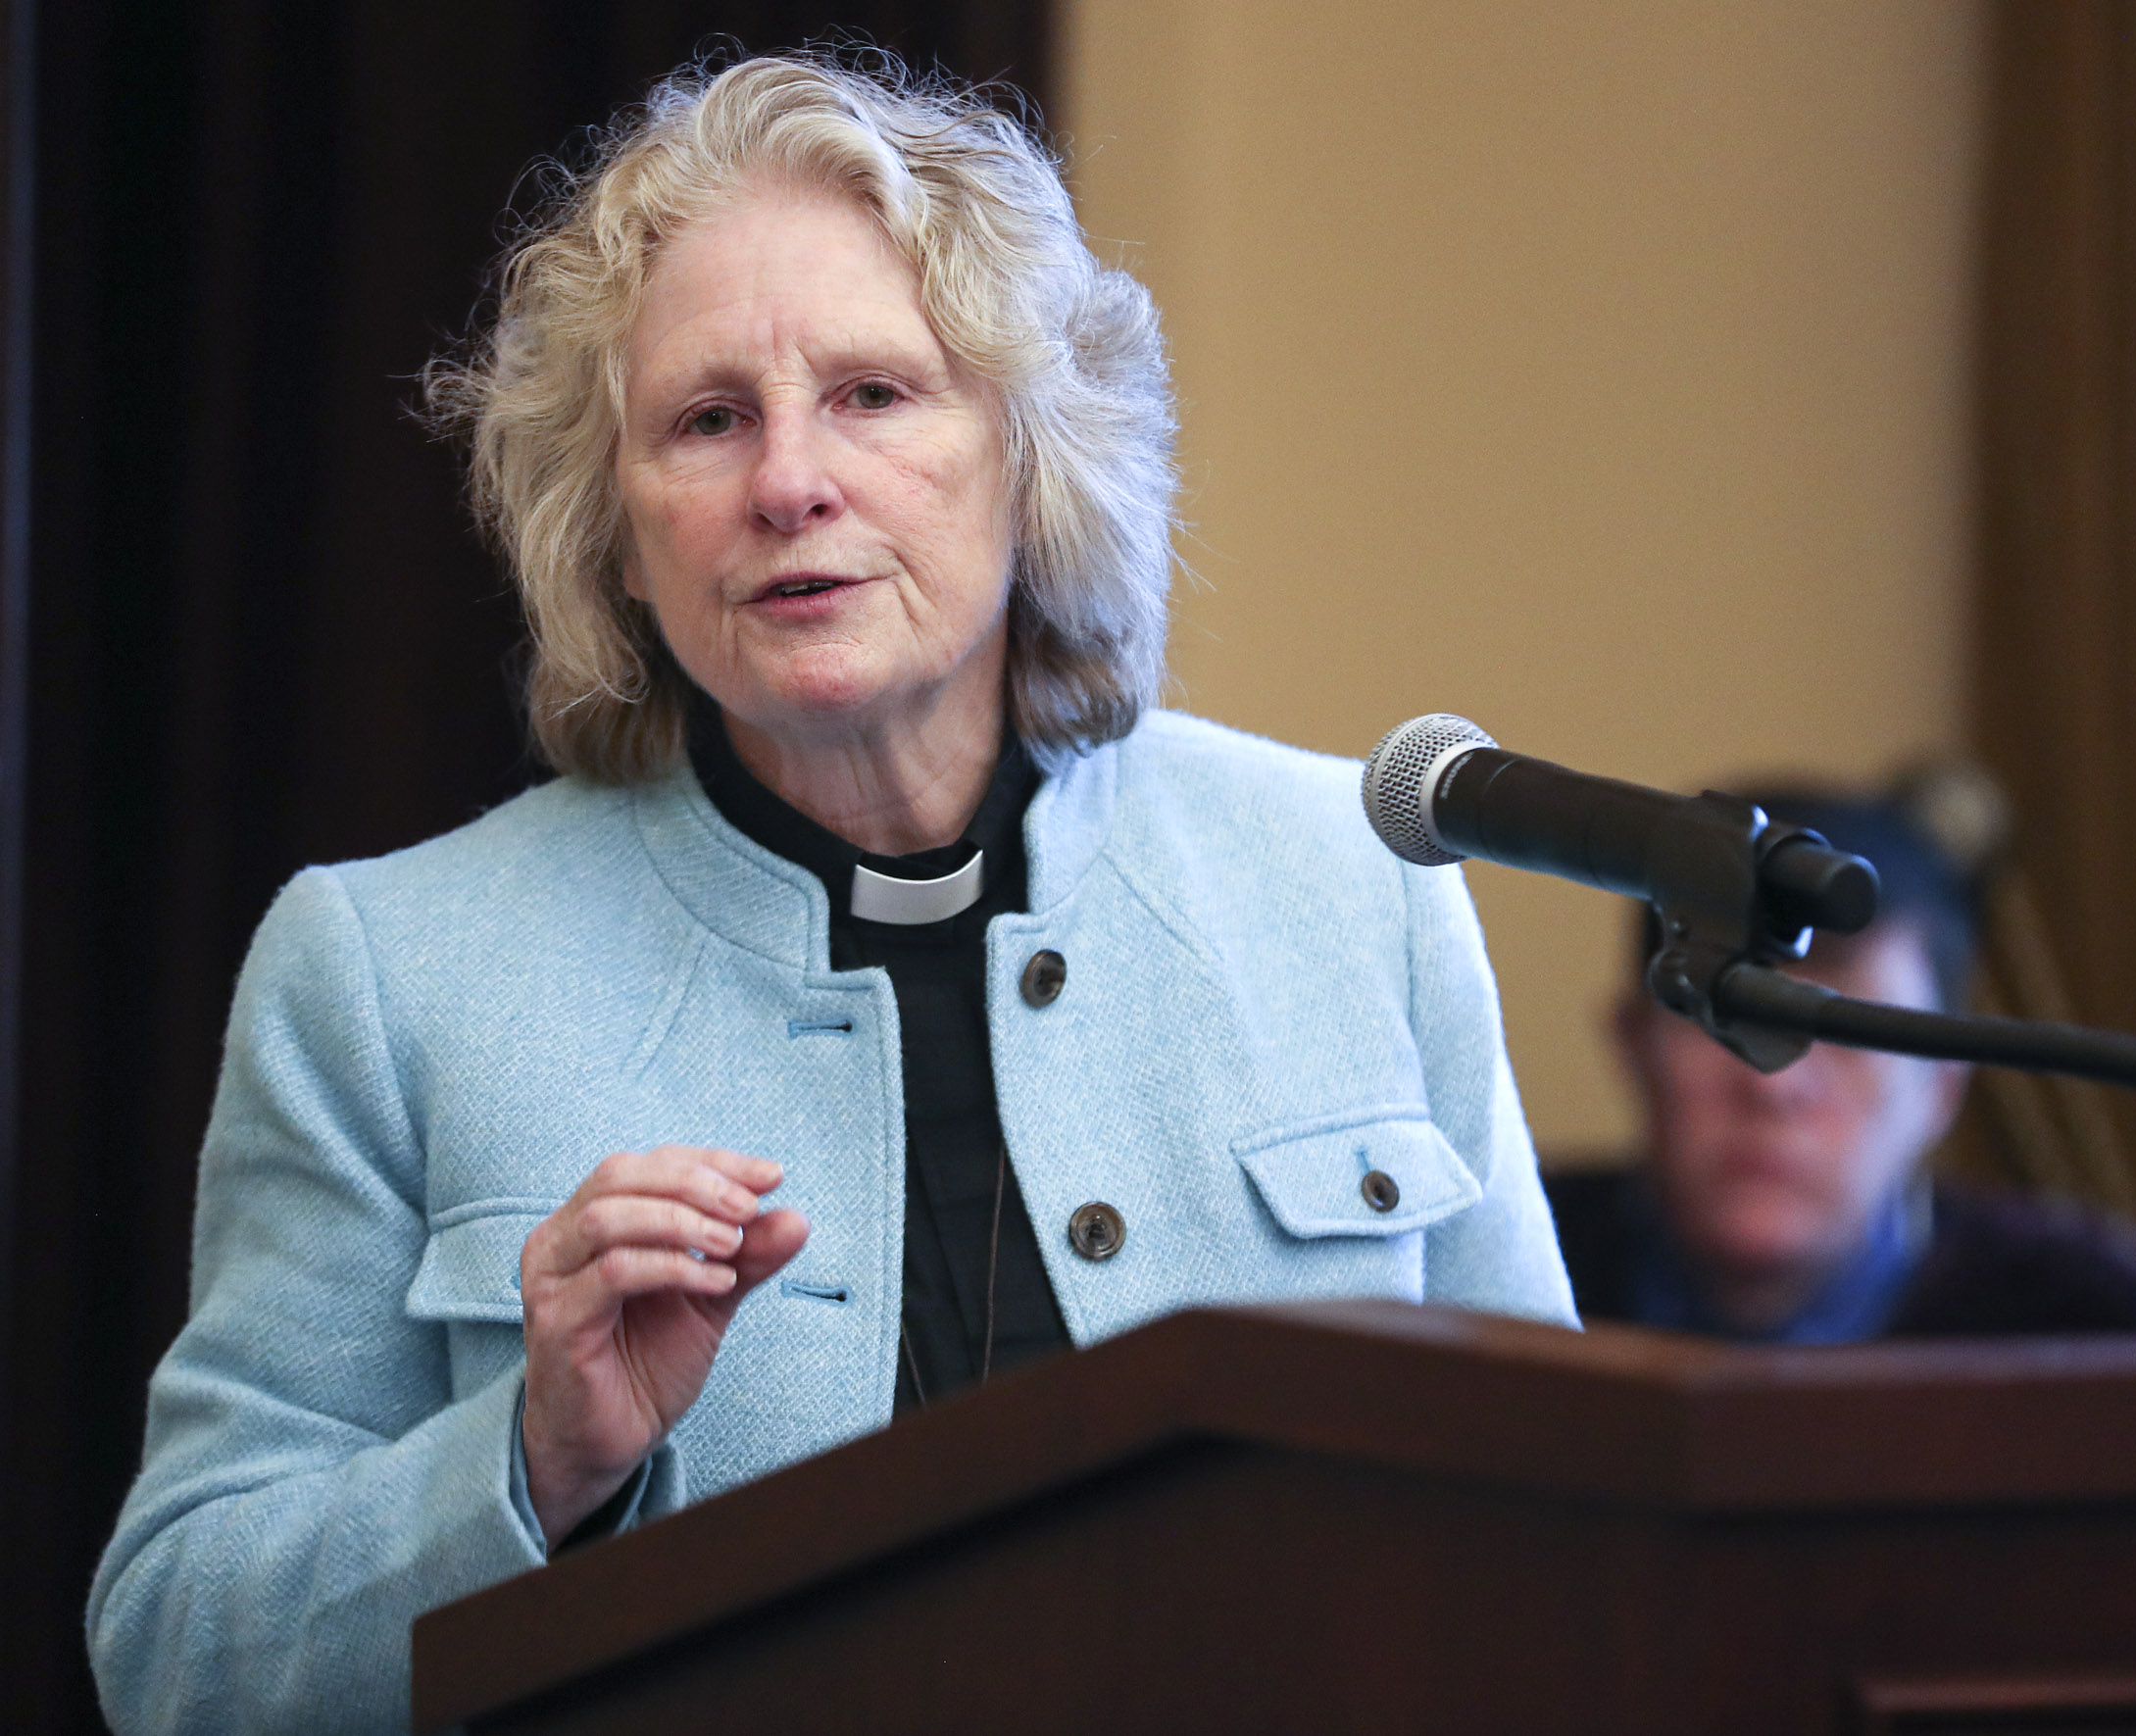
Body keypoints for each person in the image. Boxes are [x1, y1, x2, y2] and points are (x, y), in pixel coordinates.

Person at [87, 54, 1574, 1736]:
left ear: (1033, 454)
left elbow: (1575, 1539)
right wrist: (528, 1461)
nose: (789, 481)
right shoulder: (384, 972)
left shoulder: (1351, 879)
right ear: (617, 530)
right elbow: (177, 1659)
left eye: (874, 393)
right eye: (708, 419)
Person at [1546, 783, 2136, 1343]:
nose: (1775, 1083)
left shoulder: (2099, 1324)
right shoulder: (1481, 1274)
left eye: (1843, 1028)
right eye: (1725, 1016)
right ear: (1633, 1044)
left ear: (1942, 1088)